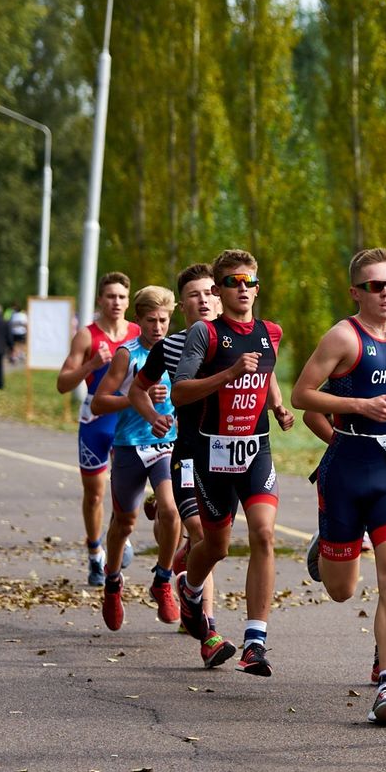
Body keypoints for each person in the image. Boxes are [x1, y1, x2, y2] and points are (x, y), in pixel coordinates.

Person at [291, 249, 386, 726]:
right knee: (341, 591)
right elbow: (301, 395)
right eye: (376, 286)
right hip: (345, 470)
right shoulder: (343, 336)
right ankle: (327, 546)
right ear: (356, 292)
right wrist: (360, 406)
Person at [170, 249, 292, 676]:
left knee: (264, 533)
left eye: (249, 281)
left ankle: (255, 642)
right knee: (217, 546)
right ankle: (190, 589)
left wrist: (277, 406)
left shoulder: (270, 331)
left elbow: (266, 371)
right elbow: (180, 391)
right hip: (213, 453)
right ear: (219, 291)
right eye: (233, 282)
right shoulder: (204, 334)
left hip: (256, 448)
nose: (243, 288)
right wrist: (229, 374)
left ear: (258, 288)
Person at [125, 263, 234, 667]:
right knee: (203, 533)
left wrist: (276, 408)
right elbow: (137, 390)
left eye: (209, 292)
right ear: (182, 305)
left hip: (228, 458)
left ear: (219, 297)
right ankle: (209, 633)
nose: (203, 300)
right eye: (194, 295)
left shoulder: (237, 341)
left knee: (213, 545)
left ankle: (181, 564)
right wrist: (153, 416)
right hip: (186, 454)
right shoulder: (168, 347)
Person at [90, 286, 183, 633]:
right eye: (151, 321)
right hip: (129, 444)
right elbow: (99, 402)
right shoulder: (126, 355)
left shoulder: (178, 351)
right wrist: (135, 397)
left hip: (166, 444)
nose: (158, 327)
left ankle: (162, 580)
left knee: (171, 511)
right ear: (138, 320)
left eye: (163, 321)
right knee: (124, 523)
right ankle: (113, 582)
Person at [56, 273, 140, 586]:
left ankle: (120, 535)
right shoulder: (87, 336)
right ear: (100, 300)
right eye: (110, 296)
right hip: (96, 420)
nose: (116, 302)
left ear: (128, 301)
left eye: (121, 297)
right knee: (94, 494)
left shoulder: (138, 332)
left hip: (129, 418)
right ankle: (94, 553)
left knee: (125, 488)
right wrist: (91, 365)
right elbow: (62, 384)